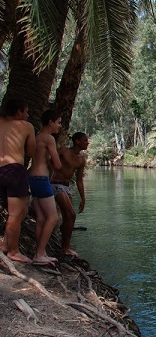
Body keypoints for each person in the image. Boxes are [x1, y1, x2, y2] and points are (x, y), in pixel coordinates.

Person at [0, 99, 36, 263]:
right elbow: (31, 151)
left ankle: (5, 244)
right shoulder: (26, 126)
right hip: (14, 170)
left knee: (22, 212)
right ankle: (13, 251)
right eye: (26, 111)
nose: (27, 115)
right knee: (16, 213)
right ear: (19, 112)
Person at [28, 110, 62, 265]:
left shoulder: (37, 136)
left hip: (32, 177)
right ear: (51, 122)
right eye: (58, 122)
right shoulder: (48, 138)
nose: (59, 126)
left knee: (41, 218)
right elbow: (58, 164)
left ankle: (40, 252)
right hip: (41, 179)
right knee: (53, 217)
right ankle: (40, 254)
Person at [51, 132, 89, 257]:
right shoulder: (63, 151)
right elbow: (47, 162)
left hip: (66, 187)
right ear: (77, 141)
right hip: (55, 184)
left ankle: (64, 245)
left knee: (68, 218)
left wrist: (83, 198)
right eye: (85, 140)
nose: (87, 142)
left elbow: (79, 180)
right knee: (71, 215)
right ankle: (65, 248)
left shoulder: (81, 160)